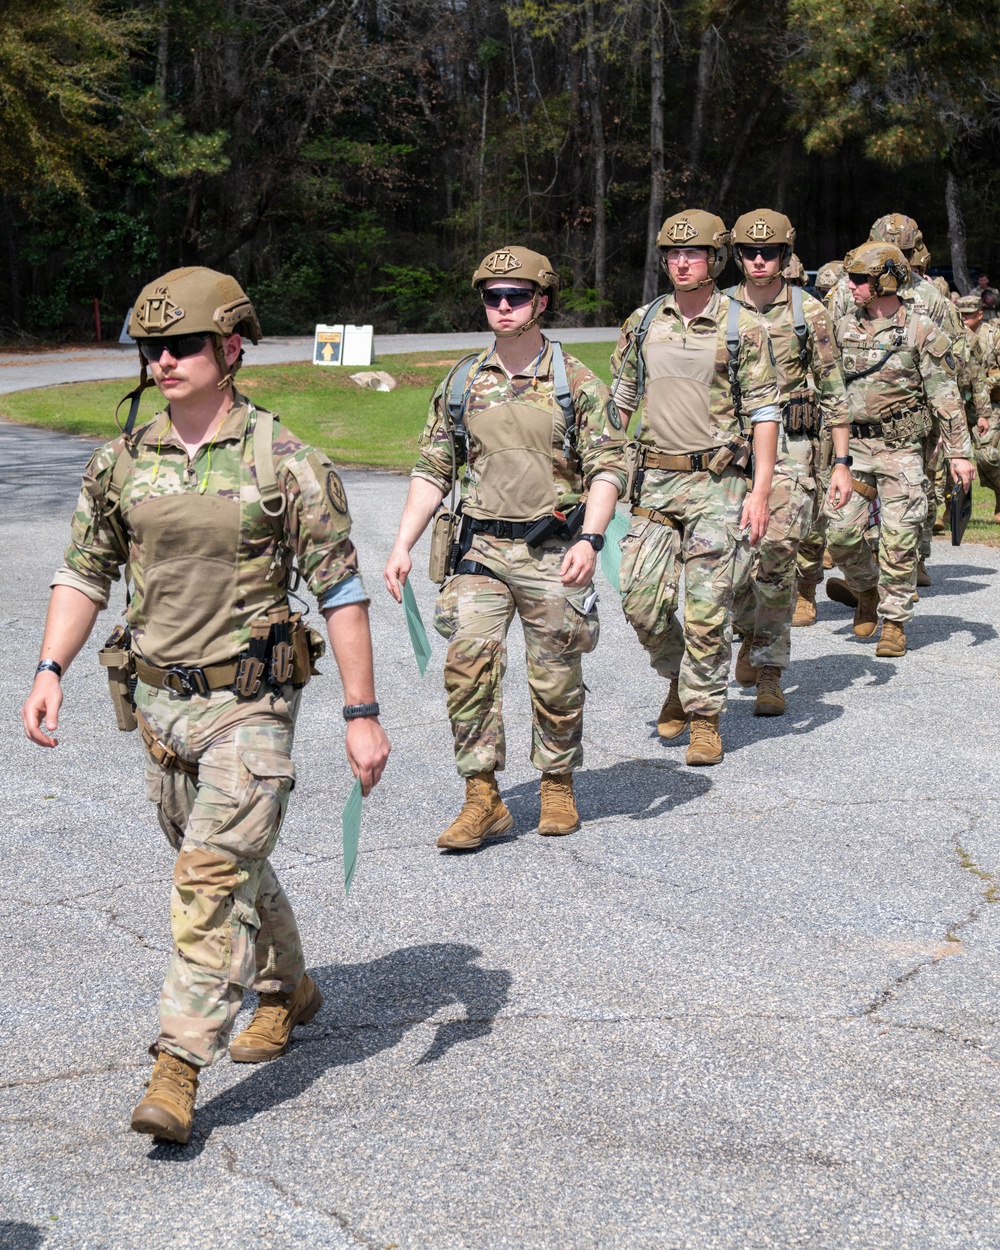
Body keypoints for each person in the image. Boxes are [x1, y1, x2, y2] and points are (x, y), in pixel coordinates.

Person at [20, 266, 390, 1145]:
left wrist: (362, 713)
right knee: (227, 863)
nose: (163, 361)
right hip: (159, 709)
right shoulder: (122, 460)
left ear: (230, 348)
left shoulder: (286, 461)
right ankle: (285, 987)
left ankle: (177, 1067)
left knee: (208, 877)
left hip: (250, 707)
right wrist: (48, 666)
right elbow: (85, 571)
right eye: (152, 347)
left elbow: (341, 591)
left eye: (182, 344)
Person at [384, 246, 626, 848]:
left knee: (555, 674)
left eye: (516, 296)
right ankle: (482, 797)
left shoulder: (575, 382)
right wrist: (402, 544)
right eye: (493, 297)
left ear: (542, 301)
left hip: (553, 551)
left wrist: (591, 538)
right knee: (467, 664)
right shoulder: (463, 381)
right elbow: (433, 467)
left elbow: (608, 467)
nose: (503, 306)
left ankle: (556, 783)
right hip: (481, 550)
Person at [609, 209, 779, 763]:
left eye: (694, 254)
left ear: (715, 259)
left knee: (707, 607)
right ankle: (680, 678)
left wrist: (760, 491)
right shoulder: (643, 321)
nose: (682, 263)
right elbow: (621, 401)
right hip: (655, 482)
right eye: (673, 254)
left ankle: (705, 717)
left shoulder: (742, 324)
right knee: (640, 601)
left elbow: (765, 412)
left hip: (718, 483)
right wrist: (599, 466)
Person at [726, 210, 853, 711]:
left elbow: (834, 388)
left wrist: (841, 461)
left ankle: (770, 670)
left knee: (777, 554)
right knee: (733, 560)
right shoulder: (719, 309)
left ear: (785, 255)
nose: (760, 260)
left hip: (792, 450)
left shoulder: (808, 312)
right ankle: (747, 634)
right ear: (737, 255)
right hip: (730, 451)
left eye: (770, 252)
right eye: (751, 252)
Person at [825, 244, 974, 656]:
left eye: (859, 279)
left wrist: (959, 454)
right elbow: (828, 388)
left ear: (884, 281)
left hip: (900, 448)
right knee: (840, 534)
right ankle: (866, 588)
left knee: (900, 536)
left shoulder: (921, 330)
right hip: (852, 447)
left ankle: (893, 621)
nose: (850, 286)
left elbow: (945, 395)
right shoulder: (842, 328)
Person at [956, 293, 1000, 520]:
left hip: (988, 403)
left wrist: (983, 384)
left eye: (969, 314)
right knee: (950, 457)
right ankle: (951, 509)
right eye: (961, 314)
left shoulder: (993, 336)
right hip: (957, 404)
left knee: (987, 456)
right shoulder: (952, 334)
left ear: (980, 314)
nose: (964, 319)